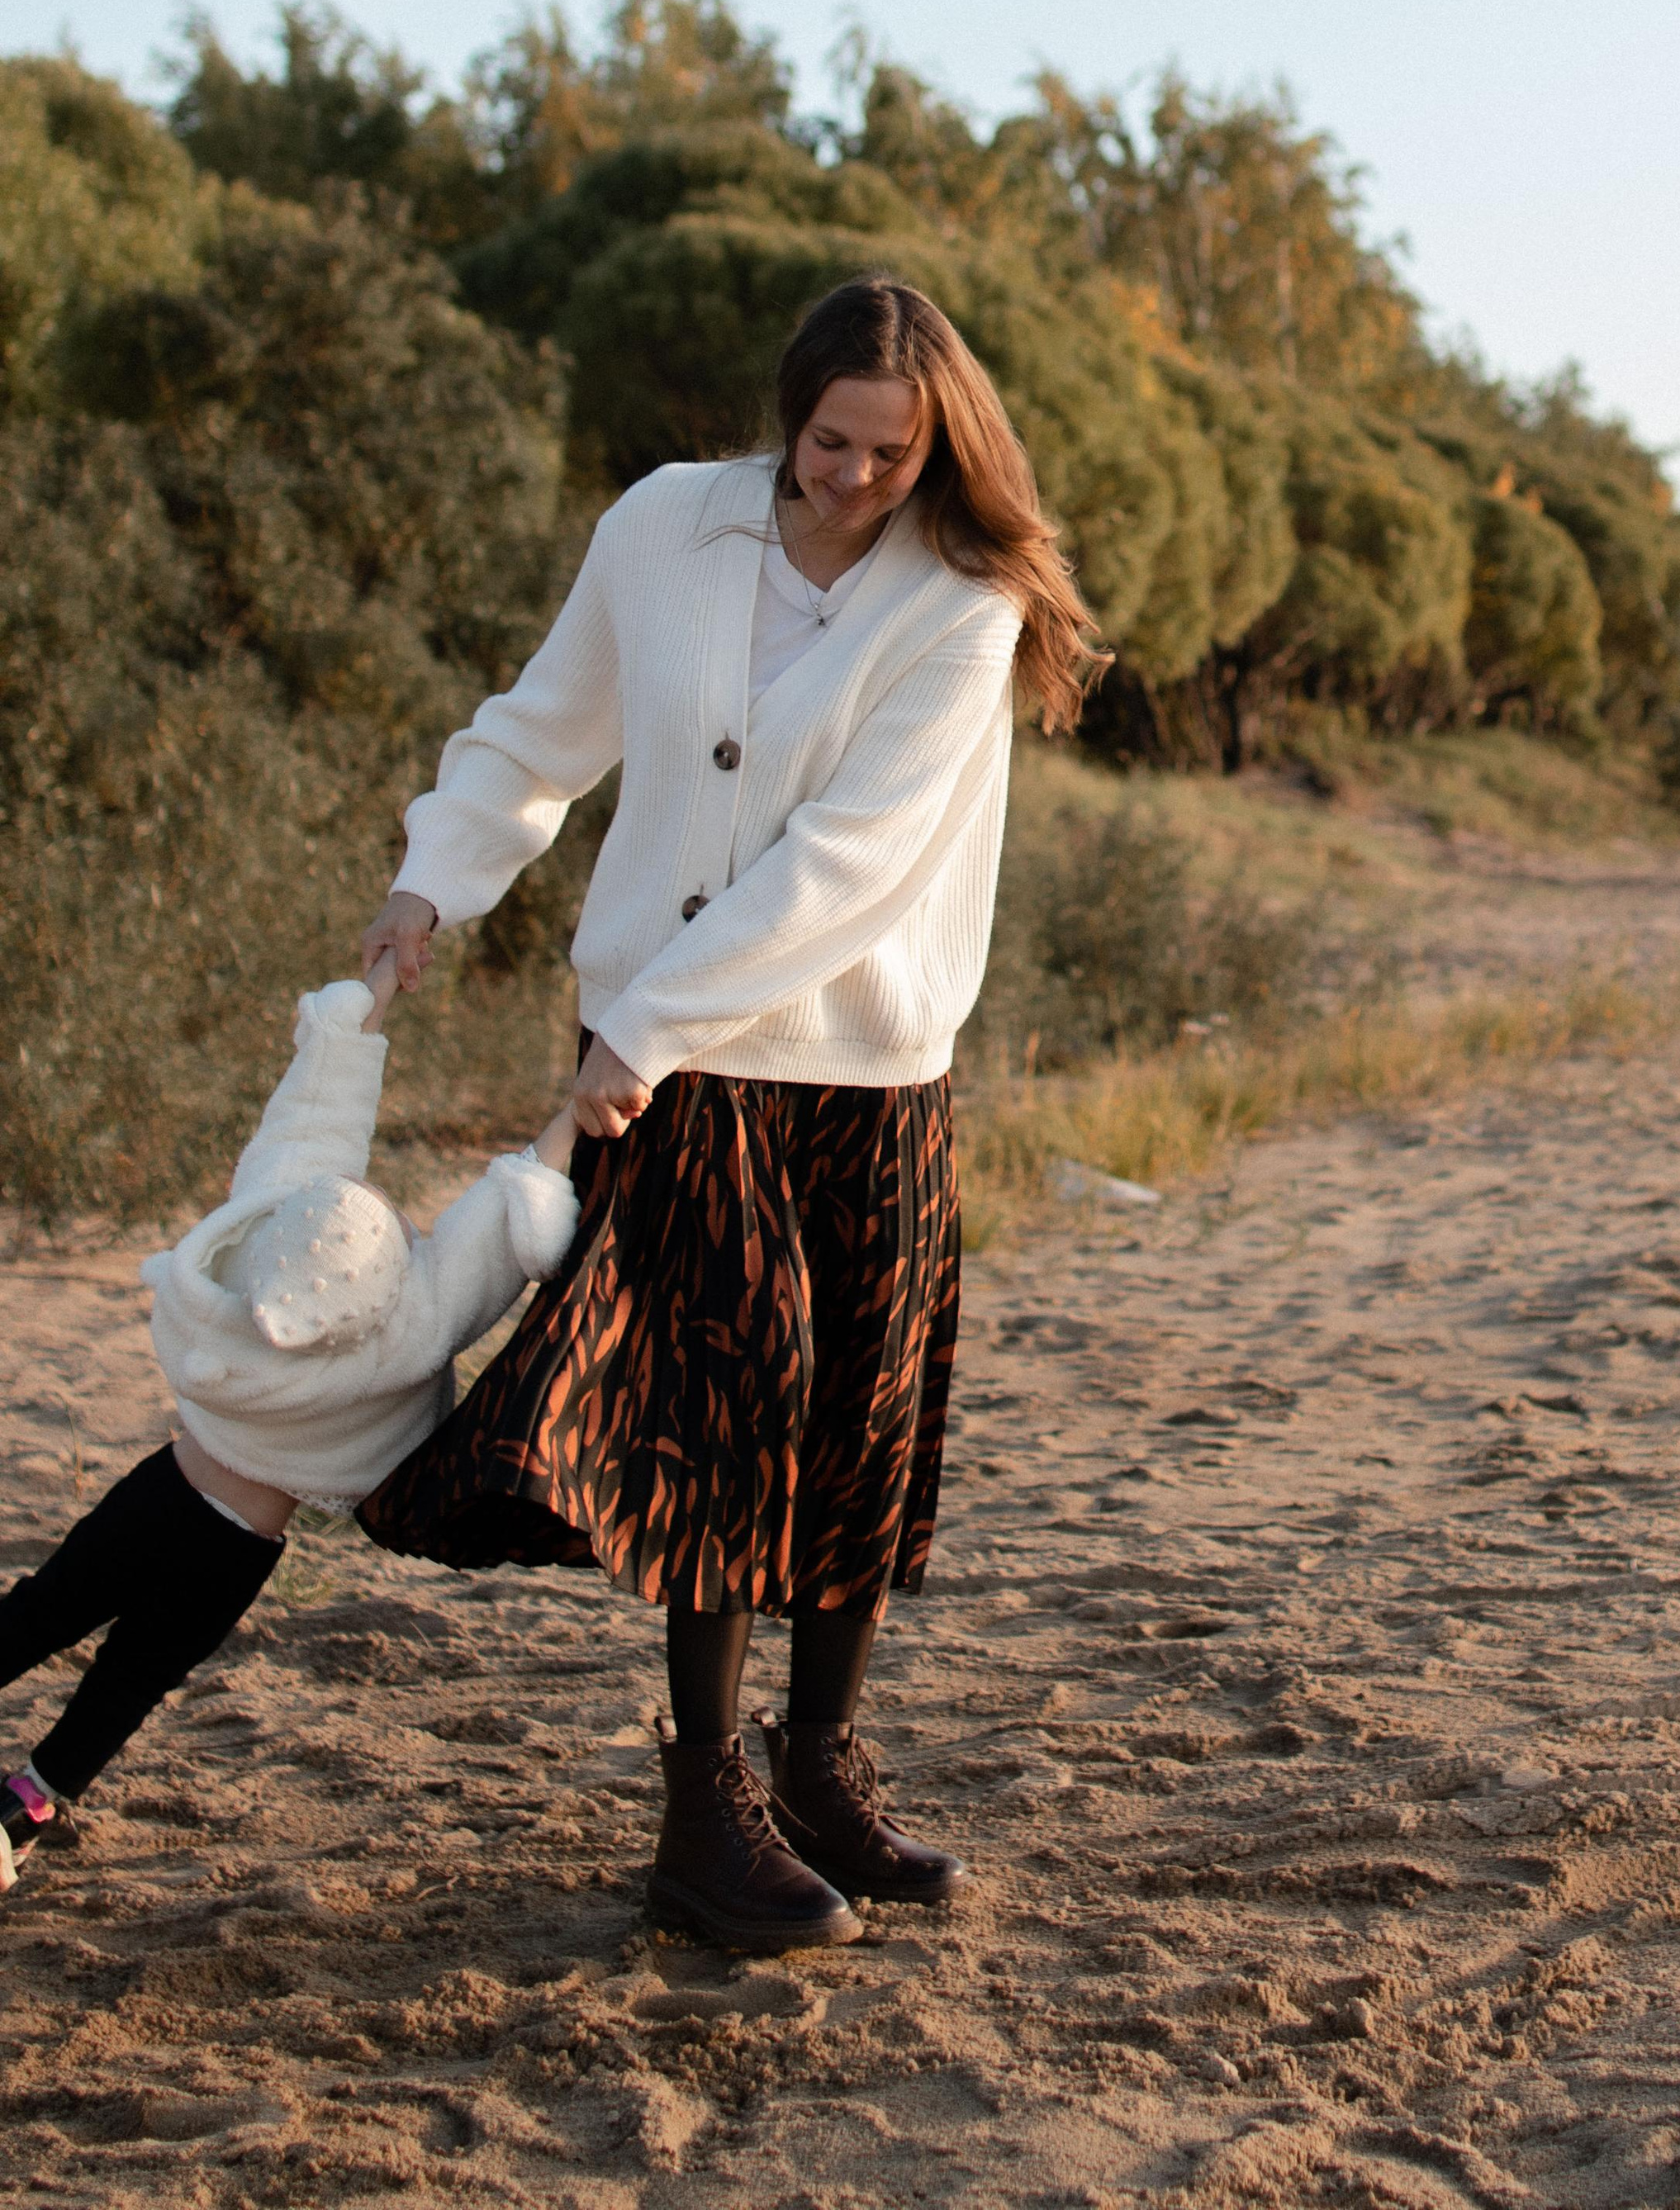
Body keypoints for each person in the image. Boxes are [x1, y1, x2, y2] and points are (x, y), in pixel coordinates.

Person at [356, 274, 1099, 1956]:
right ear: (790, 415)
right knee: (717, 1422)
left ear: (940, 448)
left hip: (861, 1074)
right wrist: (433, 884)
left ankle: (820, 1770)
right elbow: (545, 733)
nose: (849, 477)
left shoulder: (962, 604)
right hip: (677, 1066)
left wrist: (645, 1024)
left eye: (890, 454)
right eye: (829, 442)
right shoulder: (666, 531)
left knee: (854, 1422)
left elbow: (845, 871)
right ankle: (704, 1812)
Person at [0, 963, 580, 1890]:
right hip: (235, 1550)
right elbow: (502, 1222)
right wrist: (574, 1119)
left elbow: (308, 1119)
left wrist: (362, 1010)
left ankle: (21, 1807)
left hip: (164, 1491)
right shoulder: (407, 1327)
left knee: (41, 1611)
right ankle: (20, 1814)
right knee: (127, 1684)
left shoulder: (238, 1278)